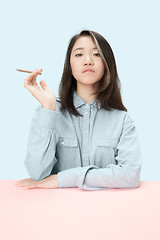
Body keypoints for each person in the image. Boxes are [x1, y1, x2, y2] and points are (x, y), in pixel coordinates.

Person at [15, 30, 142, 191]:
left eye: (96, 54)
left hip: (108, 210)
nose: (88, 61)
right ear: (69, 65)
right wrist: (48, 109)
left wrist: (64, 178)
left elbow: (130, 176)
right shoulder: (49, 113)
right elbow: (37, 174)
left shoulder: (122, 120)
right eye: (79, 55)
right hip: (57, 210)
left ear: (106, 63)